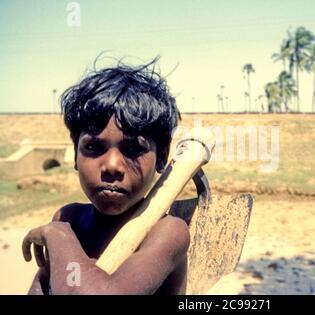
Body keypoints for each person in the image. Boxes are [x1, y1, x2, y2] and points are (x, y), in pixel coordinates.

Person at [22, 58, 190, 295]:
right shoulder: (70, 219)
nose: (112, 166)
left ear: (161, 157)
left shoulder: (168, 233)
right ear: (75, 157)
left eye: (133, 149)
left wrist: (57, 236)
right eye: (93, 147)